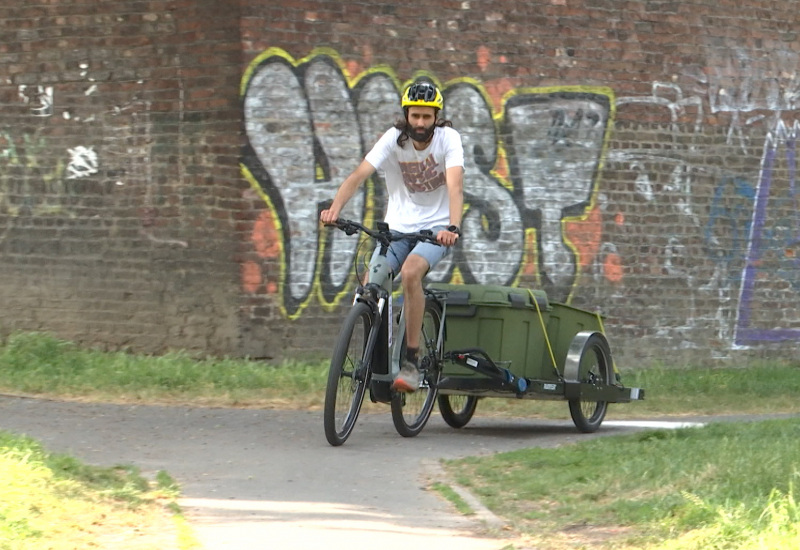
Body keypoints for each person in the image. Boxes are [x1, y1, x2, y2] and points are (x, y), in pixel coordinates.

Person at [320, 81, 465, 393]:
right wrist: (334, 209)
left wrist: (452, 227)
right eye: (415, 116)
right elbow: (359, 174)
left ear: (436, 117)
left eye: (427, 117)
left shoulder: (448, 139)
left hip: (434, 230)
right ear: (406, 115)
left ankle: (411, 361)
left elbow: (455, 186)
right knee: (371, 285)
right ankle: (379, 360)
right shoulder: (393, 139)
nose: (421, 123)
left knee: (412, 273)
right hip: (397, 228)